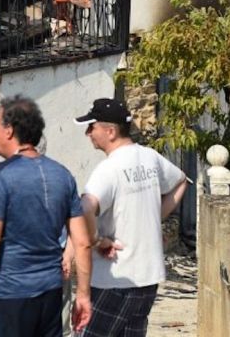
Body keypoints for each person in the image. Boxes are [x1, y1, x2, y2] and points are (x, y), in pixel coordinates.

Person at [0, 95, 92, 336]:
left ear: (9, 131)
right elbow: (83, 242)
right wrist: (83, 296)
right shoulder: (63, 175)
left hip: (10, 294)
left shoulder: (0, 176)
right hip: (51, 292)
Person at [73, 98, 188, 337]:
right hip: (148, 277)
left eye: (91, 126)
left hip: (115, 277)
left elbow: (85, 206)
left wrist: (96, 240)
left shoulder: (109, 169)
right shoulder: (149, 157)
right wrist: (153, 218)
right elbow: (181, 181)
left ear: (110, 131)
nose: (87, 133)